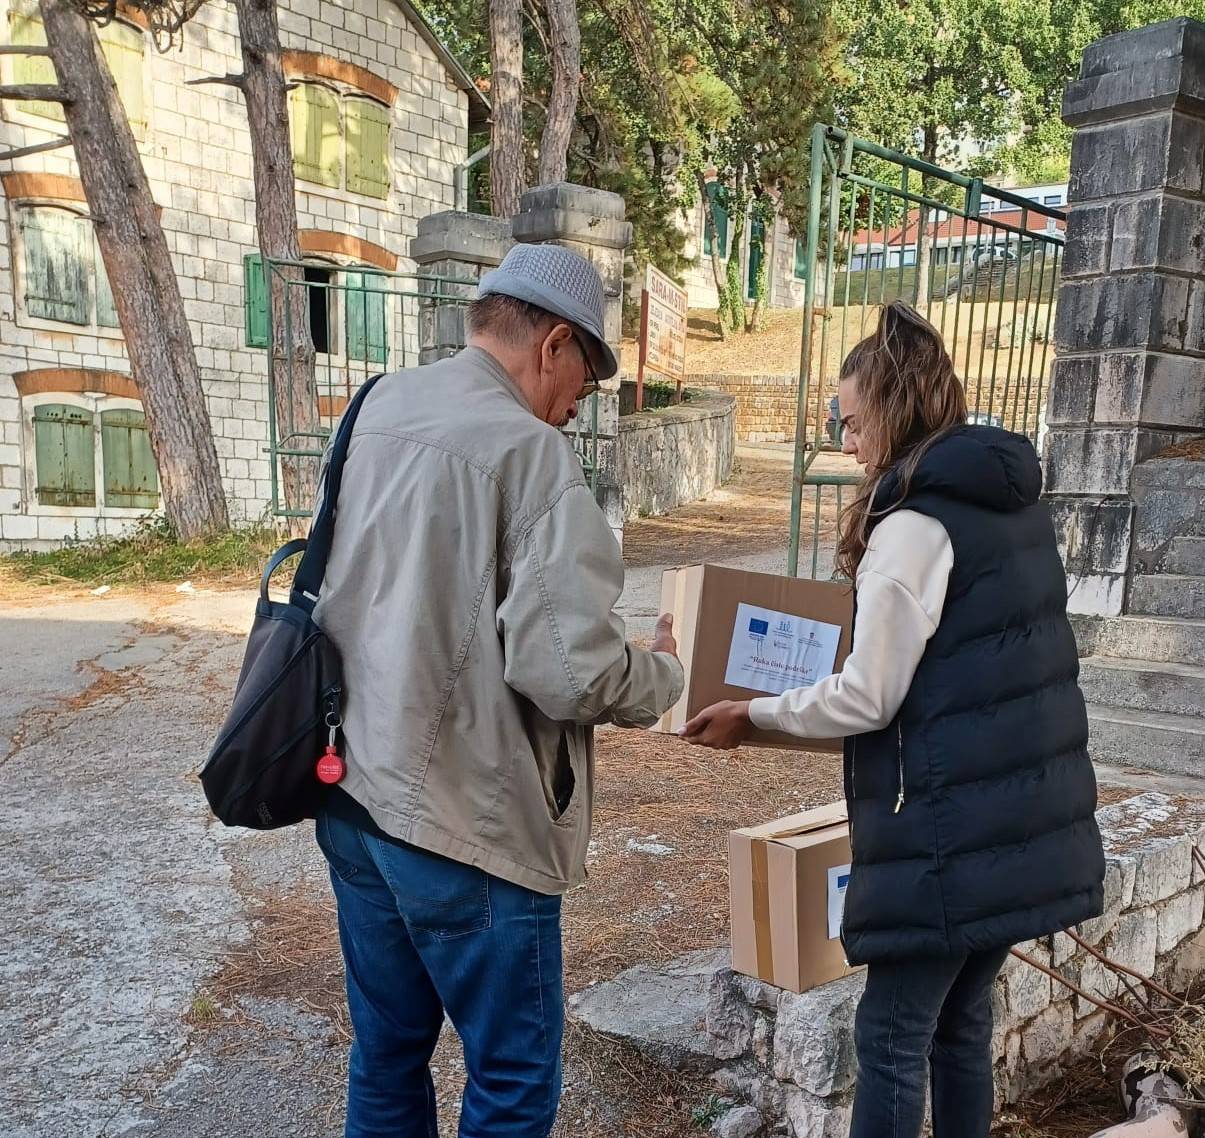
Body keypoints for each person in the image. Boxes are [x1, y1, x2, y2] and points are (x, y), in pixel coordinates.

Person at [681, 301, 1104, 1138]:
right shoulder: (1004, 502)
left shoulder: (911, 524)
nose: (843, 442)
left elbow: (868, 695)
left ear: (893, 409)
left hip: (949, 827)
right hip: (1020, 816)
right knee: (958, 1026)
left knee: (891, 1031)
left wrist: (751, 712)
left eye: (849, 421)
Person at [312, 243, 684, 1138]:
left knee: (386, 1056)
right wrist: (665, 671)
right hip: (465, 823)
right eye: (582, 385)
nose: (572, 409)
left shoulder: (377, 405)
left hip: (351, 790)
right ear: (554, 343)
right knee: (511, 1078)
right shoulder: (531, 455)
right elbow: (573, 672)